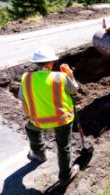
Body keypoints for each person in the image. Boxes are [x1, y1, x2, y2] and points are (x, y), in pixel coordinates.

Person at [18, 45, 80, 187]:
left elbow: (23, 102)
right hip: (63, 120)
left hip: (39, 121)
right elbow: (74, 91)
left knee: (30, 128)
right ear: (51, 63)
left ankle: (39, 153)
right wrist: (70, 75)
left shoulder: (26, 78)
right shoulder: (61, 77)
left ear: (35, 63)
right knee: (64, 146)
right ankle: (65, 176)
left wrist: (31, 116)